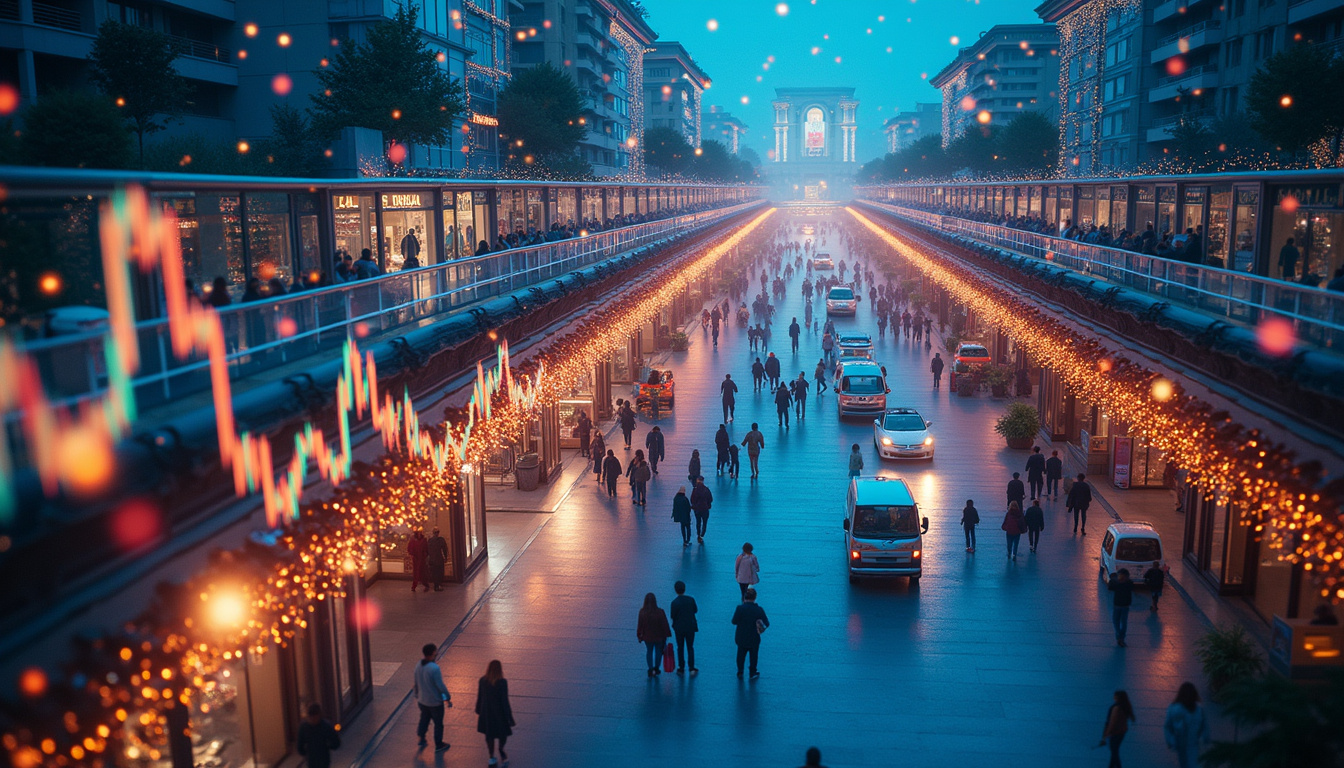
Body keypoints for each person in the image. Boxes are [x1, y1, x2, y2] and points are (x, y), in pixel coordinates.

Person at [474, 660, 514, 767]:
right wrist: (509, 717)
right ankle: (501, 750)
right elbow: (504, 701)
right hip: (499, 714)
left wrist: (478, 709)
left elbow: (480, 697)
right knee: (502, 734)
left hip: (486, 713)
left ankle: (491, 756)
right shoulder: (502, 682)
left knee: (489, 735)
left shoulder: (482, 680)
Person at [413, 643, 452, 752]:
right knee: (438, 724)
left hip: (422, 700)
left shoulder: (418, 665)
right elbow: (440, 686)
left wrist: (416, 695)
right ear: (432, 653)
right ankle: (439, 744)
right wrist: (447, 697)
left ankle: (421, 737)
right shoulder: (434, 668)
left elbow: (416, 682)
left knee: (424, 719)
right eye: (436, 652)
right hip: (434, 702)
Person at [1163, 683, 1210, 768]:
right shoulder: (1199, 710)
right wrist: (1206, 739)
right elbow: (1204, 727)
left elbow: (1167, 726)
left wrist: (1169, 740)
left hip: (1179, 742)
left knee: (1183, 762)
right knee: (1193, 762)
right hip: (1193, 743)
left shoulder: (1173, 708)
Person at [731, 588, 770, 679]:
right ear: (755, 597)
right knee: (753, 655)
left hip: (741, 636)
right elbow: (767, 623)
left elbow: (734, 621)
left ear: (745, 597)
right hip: (754, 637)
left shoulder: (740, 608)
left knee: (740, 654)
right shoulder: (759, 610)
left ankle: (740, 670)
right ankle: (752, 671)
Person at [636, 593, 672, 678]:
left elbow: (640, 625)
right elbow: (664, 624)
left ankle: (650, 669)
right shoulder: (660, 612)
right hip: (659, 636)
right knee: (658, 651)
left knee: (649, 651)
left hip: (647, 637)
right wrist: (667, 634)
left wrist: (639, 636)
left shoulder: (642, 612)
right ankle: (656, 668)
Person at [296, 703, 341, 768]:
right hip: (317, 758)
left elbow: (336, 742)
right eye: (311, 718)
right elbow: (300, 745)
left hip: (320, 758)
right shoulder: (325, 726)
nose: (313, 720)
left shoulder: (305, 727)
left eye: (314, 718)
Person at [1100, 690, 1135, 768]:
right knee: (1114, 751)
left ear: (1117, 697)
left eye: (1115, 696)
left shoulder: (1116, 708)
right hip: (1121, 732)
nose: (1113, 697)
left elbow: (1112, 722)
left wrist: (1106, 735)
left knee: (1114, 752)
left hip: (1115, 733)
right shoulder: (1125, 707)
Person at [670, 581, 698, 674]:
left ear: (676, 590)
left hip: (679, 628)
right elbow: (695, 610)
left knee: (680, 647)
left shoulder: (674, 602)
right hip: (690, 626)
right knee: (690, 647)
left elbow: (673, 615)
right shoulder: (691, 599)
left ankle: (681, 667)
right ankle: (691, 667)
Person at [1108, 568, 1134, 647]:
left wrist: (1114, 579)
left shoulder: (1116, 584)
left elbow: (1110, 587)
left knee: (1116, 621)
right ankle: (1121, 638)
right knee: (1124, 622)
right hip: (1125, 606)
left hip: (1117, 605)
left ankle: (1118, 634)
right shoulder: (1129, 583)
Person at [690, 476, 712, 543]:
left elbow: (692, 500)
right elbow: (710, 499)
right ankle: (702, 535)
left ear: (697, 481)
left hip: (697, 509)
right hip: (705, 509)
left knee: (698, 522)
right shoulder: (706, 489)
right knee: (704, 523)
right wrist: (708, 505)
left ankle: (698, 534)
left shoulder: (695, 490)